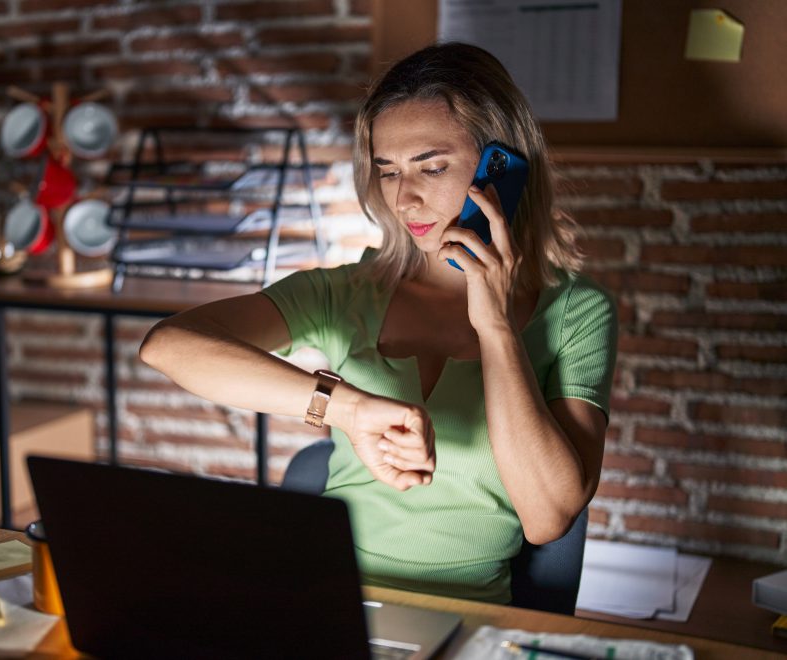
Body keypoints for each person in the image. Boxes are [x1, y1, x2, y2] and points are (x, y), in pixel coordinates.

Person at [139, 42, 617, 604]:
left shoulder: (578, 311)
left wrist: (496, 328)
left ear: (503, 167)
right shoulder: (348, 291)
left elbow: (547, 518)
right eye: (387, 171)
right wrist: (347, 407)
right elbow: (168, 345)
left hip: (469, 620)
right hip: (326, 603)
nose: (405, 199)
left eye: (432, 167)